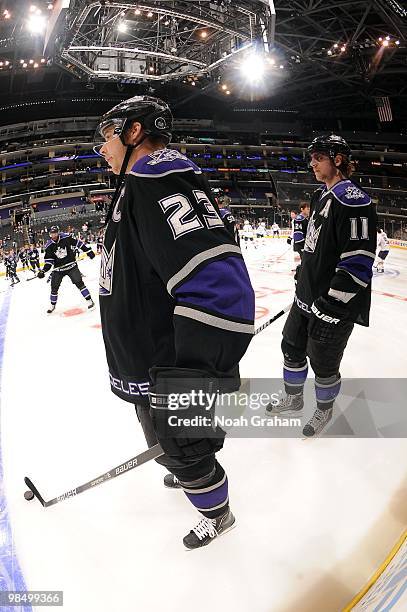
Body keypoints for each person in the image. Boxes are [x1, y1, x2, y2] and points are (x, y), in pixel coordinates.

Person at [94, 95, 254, 549]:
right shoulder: (138, 183)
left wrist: (197, 369)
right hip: (146, 358)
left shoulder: (157, 176)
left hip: (166, 360)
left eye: (107, 137)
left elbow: (221, 281)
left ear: (133, 132)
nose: (102, 149)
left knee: (185, 446)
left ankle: (216, 512)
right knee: (166, 439)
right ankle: (187, 471)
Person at [266, 135, 377, 437]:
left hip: (331, 305)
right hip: (306, 297)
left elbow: (358, 260)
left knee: (324, 364)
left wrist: (332, 303)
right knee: (291, 347)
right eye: (311, 157)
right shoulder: (321, 195)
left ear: (337, 159)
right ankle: (293, 397)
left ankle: (324, 411)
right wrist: (305, 271)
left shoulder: (353, 200)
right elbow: (315, 247)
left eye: (318, 157)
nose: (311, 163)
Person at [37, 226, 96, 314]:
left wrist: (87, 251)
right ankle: (52, 305)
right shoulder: (49, 246)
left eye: (55, 232)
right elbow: (49, 261)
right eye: (52, 233)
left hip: (71, 265)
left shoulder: (65, 237)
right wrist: (43, 271)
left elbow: (77, 243)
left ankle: (89, 300)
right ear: (50, 234)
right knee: (54, 287)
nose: (54, 235)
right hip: (59, 269)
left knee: (79, 283)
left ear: (58, 232)